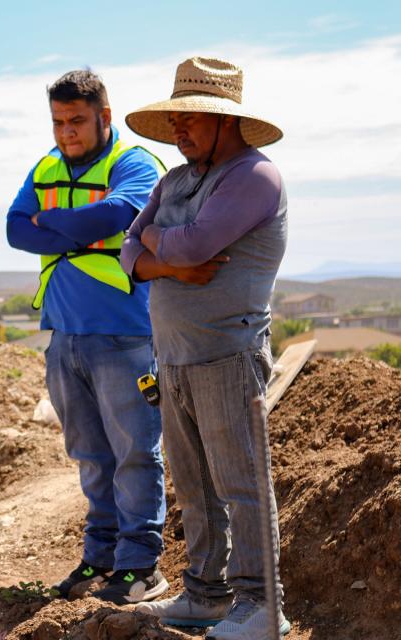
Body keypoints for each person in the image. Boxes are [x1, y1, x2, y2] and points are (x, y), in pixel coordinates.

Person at [120, 58, 290, 639]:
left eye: (191, 119)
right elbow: (128, 255)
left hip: (228, 354)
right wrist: (162, 258)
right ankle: (206, 594)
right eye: (176, 121)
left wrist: (158, 249)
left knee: (241, 484)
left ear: (226, 121)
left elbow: (194, 248)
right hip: (175, 357)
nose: (180, 132)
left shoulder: (253, 177)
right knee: (194, 487)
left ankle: (264, 606)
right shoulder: (174, 180)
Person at [6, 69, 168, 605]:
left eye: (76, 121)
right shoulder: (47, 165)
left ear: (103, 117)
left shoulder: (135, 163)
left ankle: (140, 565)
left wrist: (52, 226)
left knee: (135, 454)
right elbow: (13, 229)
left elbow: (120, 213)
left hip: (126, 335)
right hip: (65, 337)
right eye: (58, 122)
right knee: (92, 456)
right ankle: (100, 558)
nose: (66, 133)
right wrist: (81, 227)